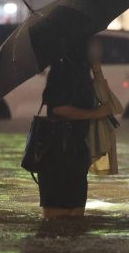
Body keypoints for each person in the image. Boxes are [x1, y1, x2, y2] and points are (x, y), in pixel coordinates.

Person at [38, 36, 113, 219]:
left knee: (76, 216)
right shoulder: (62, 69)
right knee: (56, 218)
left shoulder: (83, 71)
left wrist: (96, 68)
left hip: (77, 152)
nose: (98, 47)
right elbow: (60, 108)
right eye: (93, 43)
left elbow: (107, 103)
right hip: (57, 153)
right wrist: (95, 114)